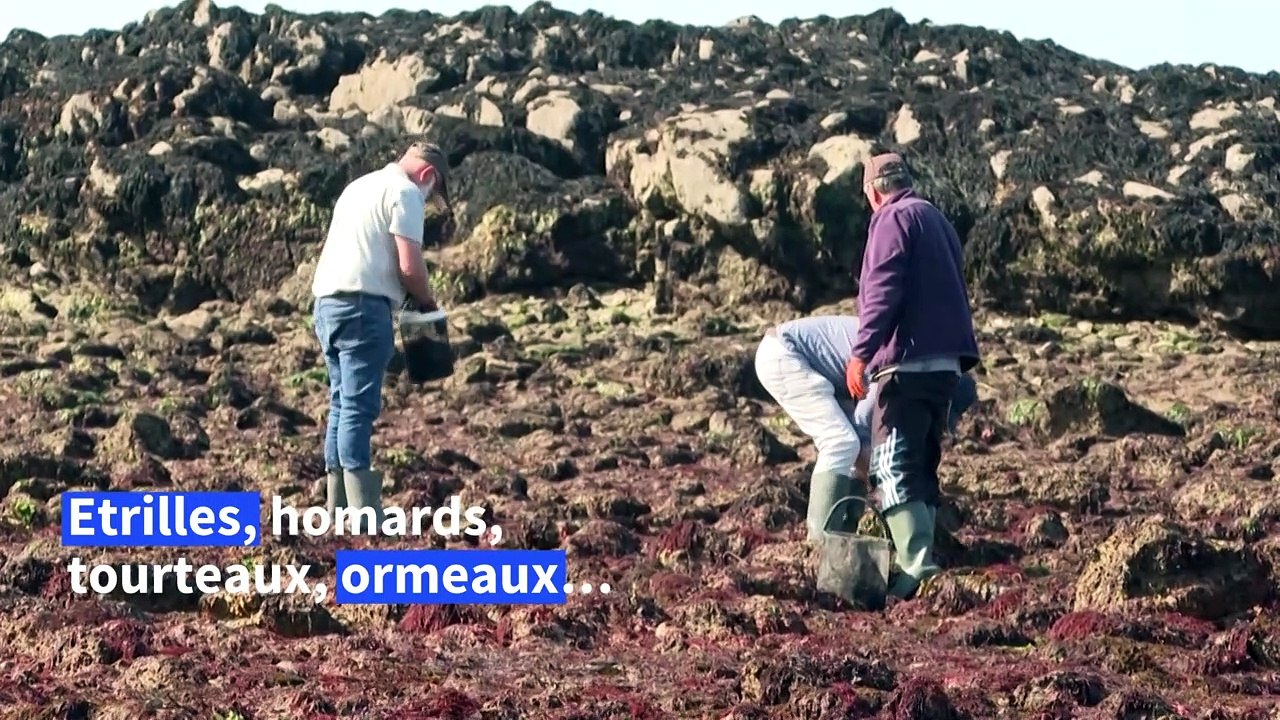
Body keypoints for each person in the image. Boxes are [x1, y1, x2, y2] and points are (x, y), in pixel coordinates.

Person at [844, 152, 981, 600]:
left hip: (907, 363)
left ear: (872, 191)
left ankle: (916, 564)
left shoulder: (891, 220)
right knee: (921, 462)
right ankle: (920, 560)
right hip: (946, 365)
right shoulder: (935, 218)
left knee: (890, 465)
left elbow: (882, 291)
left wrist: (861, 354)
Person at [310, 140, 455, 533]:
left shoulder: (359, 186)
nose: (428, 199)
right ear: (428, 177)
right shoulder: (405, 192)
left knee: (341, 403)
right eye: (433, 192)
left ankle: (337, 504)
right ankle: (363, 514)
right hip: (363, 309)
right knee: (358, 407)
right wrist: (427, 303)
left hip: (326, 303)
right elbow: (409, 266)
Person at [753, 315, 977, 543]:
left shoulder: (916, 365)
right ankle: (819, 544)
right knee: (841, 443)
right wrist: (897, 497)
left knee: (853, 449)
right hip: (785, 354)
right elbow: (863, 432)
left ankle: (845, 534)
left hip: (826, 371)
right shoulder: (894, 367)